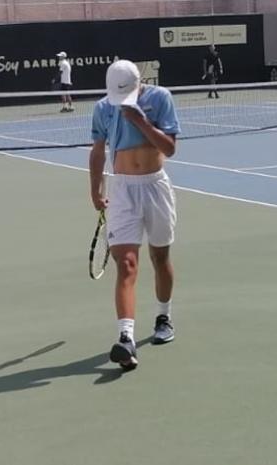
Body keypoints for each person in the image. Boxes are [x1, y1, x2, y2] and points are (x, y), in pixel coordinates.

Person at [89, 59, 181, 372]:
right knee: (126, 264)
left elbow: (169, 149)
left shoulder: (160, 98)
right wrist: (94, 190)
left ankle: (163, 317)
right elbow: (98, 151)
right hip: (123, 191)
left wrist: (140, 121)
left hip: (156, 187)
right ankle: (125, 338)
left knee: (160, 258)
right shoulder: (103, 107)